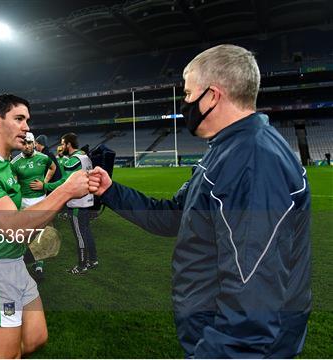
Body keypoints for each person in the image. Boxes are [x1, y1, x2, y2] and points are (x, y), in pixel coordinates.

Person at [87, 44, 311, 358]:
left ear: (213, 95)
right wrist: (111, 191)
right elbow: (175, 217)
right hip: (213, 331)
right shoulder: (228, 150)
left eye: (189, 94)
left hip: (235, 346)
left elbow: (253, 294)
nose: (185, 102)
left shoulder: (252, 161)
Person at [0, 94, 89, 358]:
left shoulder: (5, 165)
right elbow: (13, 227)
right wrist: (64, 191)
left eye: (27, 120)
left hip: (14, 264)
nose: (27, 127)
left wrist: (36, 229)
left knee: (36, 339)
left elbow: (17, 221)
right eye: (19, 119)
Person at [33, 133, 98, 274]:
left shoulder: (72, 160)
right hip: (87, 200)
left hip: (77, 203)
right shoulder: (84, 156)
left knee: (80, 235)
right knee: (87, 232)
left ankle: (82, 266)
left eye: (63, 143)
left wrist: (44, 186)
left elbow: (64, 182)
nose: (61, 146)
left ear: (68, 144)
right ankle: (93, 260)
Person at [11, 131, 57, 279]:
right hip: (24, 203)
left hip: (41, 200)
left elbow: (53, 168)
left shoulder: (44, 158)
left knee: (41, 234)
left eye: (30, 143)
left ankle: (39, 266)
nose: (27, 146)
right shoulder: (15, 163)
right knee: (24, 235)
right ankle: (22, 262)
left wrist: (45, 183)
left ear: (34, 143)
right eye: (24, 144)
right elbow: (15, 185)